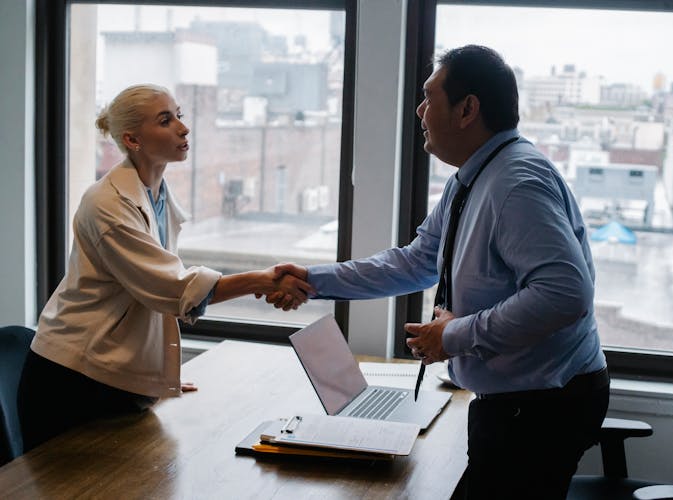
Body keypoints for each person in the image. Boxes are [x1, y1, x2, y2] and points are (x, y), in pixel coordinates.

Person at [272, 46, 608, 499]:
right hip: (516, 402)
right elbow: (417, 261)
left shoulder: (517, 182)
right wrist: (314, 280)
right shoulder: (474, 176)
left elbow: (565, 293)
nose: (419, 110)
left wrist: (452, 336)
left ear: (467, 109)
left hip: (541, 406)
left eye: (430, 97)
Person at [17, 84, 313, 452]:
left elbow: (152, 293)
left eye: (179, 115)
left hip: (111, 373)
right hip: (73, 379)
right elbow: (171, 288)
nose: (183, 128)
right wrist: (263, 280)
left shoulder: (155, 193)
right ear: (132, 138)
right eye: (165, 120)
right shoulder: (108, 204)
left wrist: (159, 373)